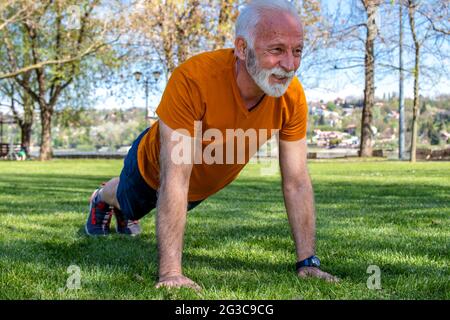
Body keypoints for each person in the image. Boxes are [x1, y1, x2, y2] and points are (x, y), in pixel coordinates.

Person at [85, 0, 339, 290]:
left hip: (198, 184)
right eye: (277, 50)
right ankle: (102, 197)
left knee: (152, 208)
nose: (290, 65)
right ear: (242, 49)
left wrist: (308, 263)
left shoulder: (292, 96)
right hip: (153, 169)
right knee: (131, 205)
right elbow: (176, 179)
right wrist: (171, 274)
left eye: (297, 51)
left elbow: (297, 182)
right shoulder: (194, 79)